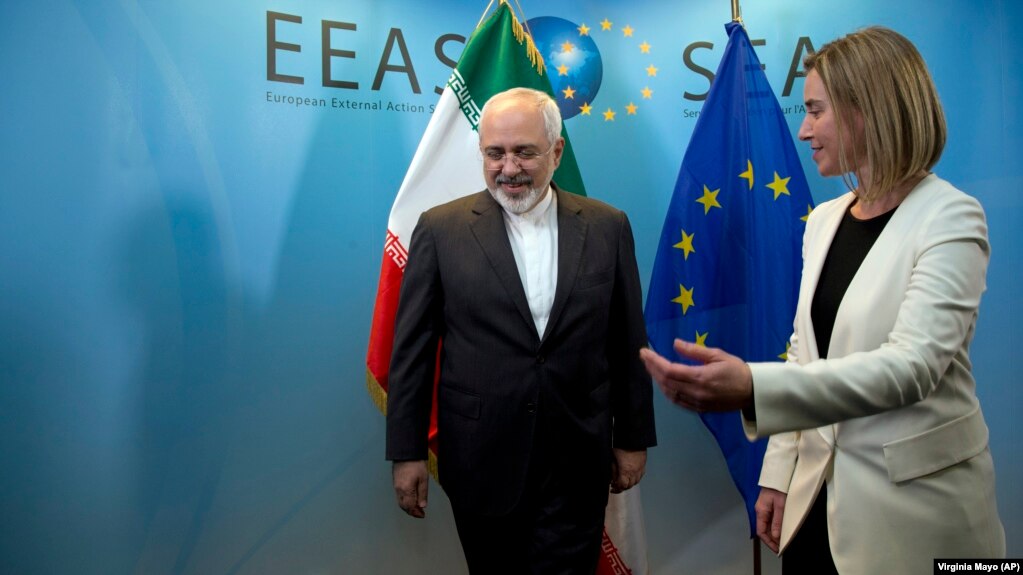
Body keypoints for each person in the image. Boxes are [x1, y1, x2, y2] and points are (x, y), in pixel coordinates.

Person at [640, 26, 1004, 574]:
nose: (805, 129)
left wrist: (752, 386)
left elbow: (912, 369)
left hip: (913, 516)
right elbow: (806, 355)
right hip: (815, 504)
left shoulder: (951, 217)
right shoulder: (826, 220)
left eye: (815, 111)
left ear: (868, 110)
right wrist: (778, 474)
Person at [386, 87, 656, 574]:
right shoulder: (440, 230)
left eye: (524, 152)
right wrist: (406, 453)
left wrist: (633, 438)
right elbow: (412, 353)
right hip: (480, 461)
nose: (508, 168)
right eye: (495, 153)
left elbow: (627, 341)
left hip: (577, 462)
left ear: (556, 151)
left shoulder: (607, 227)